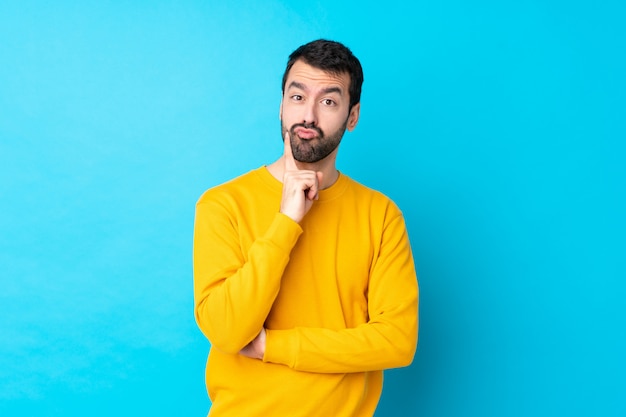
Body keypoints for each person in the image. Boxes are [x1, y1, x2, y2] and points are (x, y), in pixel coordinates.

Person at [193, 39, 419, 417]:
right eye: (297, 97)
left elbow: (397, 341)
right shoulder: (223, 204)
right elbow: (228, 331)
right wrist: (286, 221)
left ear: (353, 116)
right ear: (282, 104)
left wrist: (272, 347)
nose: (308, 116)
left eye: (328, 101)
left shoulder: (380, 215)